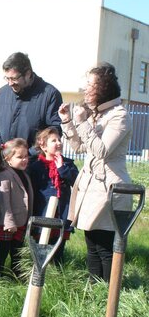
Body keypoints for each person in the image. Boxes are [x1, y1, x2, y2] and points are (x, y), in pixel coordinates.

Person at [58, 63, 132, 282]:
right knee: (91, 245)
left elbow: (102, 151)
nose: (85, 89)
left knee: (104, 247)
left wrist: (82, 122)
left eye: (90, 84)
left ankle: (109, 295)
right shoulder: (97, 114)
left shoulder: (119, 115)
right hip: (91, 187)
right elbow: (80, 147)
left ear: (104, 86)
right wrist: (68, 121)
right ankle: (93, 292)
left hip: (109, 188)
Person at [0, 52, 62, 154]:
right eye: (7, 78)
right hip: (4, 158)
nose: (10, 83)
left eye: (14, 78)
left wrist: (26, 155)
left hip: (34, 161)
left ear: (28, 74)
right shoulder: (3, 93)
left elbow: (53, 131)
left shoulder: (50, 94)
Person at [29, 127, 79, 264]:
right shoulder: (36, 166)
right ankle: (39, 270)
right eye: (53, 140)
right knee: (41, 248)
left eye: (59, 140)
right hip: (42, 212)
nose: (58, 143)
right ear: (43, 146)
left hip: (61, 213)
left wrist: (62, 169)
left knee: (58, 249)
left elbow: (76, 183)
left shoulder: (68, 164)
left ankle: (57, 271)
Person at [0, 138, 33, 278]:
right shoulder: (4, 175)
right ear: (8, 159)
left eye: (26, 156)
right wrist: (9, 222)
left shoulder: (25, 175)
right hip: (6, 223)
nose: (24, 159)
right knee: (3, 251)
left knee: (17, 251)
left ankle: (17, 275)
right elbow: (4, 202)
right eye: (20, 157)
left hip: (21, 221)